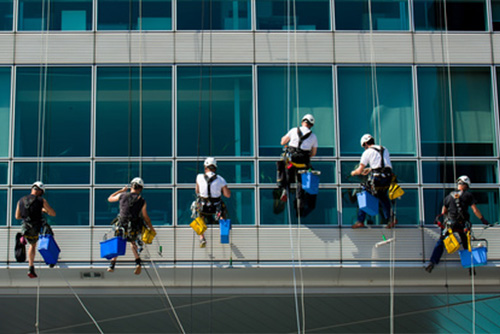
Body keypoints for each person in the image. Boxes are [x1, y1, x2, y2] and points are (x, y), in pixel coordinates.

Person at [425, 175, 490, 274]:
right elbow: (475, 210)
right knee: (466, 244)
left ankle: (432, 262)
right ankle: (470, 267)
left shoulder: (448, 197)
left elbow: (444, 211)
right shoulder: (468, 195)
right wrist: (483, 219)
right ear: (466, 185)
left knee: (441, 242)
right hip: (462, 224)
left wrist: (444, 220)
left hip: (450, 224)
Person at [107, 177, 155, 275]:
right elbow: (146, 217)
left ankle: (112, 264)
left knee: (119, 241)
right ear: (140, 189)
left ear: (131, 186)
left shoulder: (122, 195)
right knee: (133, 243)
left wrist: (122, 190)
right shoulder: (141, 200)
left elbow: (110, 198)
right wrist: (151, 228)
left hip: (122, 224)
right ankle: (138, 262)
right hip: (133, 225)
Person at [277, 114, 318, 216]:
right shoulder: (313, 137)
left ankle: (284, 190)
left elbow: (283, 142)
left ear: (302, 122)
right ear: (311, 125)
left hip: (291, 160)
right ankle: (300, 202)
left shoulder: (293, 130)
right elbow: (313, 153)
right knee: (300, 181)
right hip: (303, 163)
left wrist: (284, 138)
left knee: (285, 171)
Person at [351, 134, 395, 229]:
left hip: (377, 179)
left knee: (364, 193)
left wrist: (353, 172)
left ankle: (360, 220)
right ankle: (391, 218)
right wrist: (370, 169)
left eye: (364, 146)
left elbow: (359, 170)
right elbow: (383, 164)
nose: (364, 148)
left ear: (366, 143)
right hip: (387, 178)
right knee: (383, 196)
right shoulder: (384, 149)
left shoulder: (367, 152)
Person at [15, 181, 56, 278]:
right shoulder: (41, 201)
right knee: (48, 237)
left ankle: (31, 266)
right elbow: (52, 213)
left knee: (32, 244)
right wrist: (44, 210)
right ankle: (50, 260)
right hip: (36, 227)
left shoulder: (20, 200)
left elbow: (17, 216)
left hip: (25, 228)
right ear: (39, 191)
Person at [195, 157, 231, 248]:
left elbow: (197, 191)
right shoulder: (220, 179)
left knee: (199, 216)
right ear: (215, 168)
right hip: (216, 208)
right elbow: (228, 195)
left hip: (203, 207)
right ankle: (223, 234)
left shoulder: (199, 177)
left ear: (205, 167)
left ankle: (201, 237)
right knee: (222, 215)